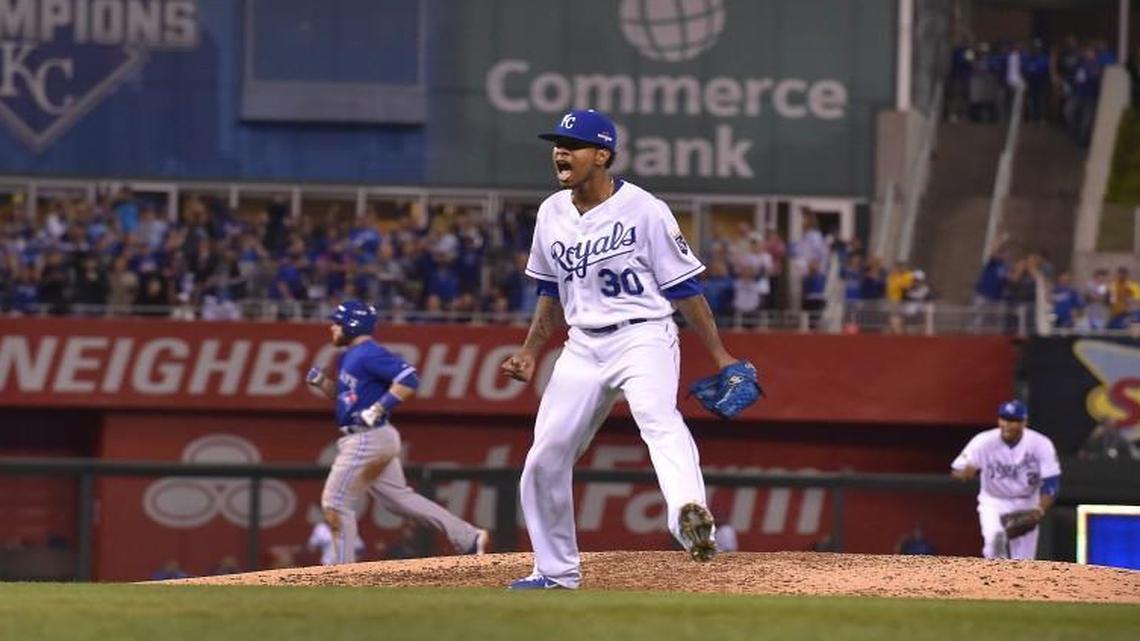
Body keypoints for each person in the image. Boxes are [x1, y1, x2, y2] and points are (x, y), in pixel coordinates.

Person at [501, 109, 751, 590]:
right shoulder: (551, 212)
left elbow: (685, 290)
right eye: (557, 143)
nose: (560, 151)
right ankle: (555, 573)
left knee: (658, 420)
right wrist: (532, 350)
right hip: (581, 345)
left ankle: (687, 516)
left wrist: (721, 355)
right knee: (543, 458)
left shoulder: (645, 209)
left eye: (571, 144)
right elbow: (550, 293)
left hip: (644, 335)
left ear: (602, 155)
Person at [305, 300, 489, 564]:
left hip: (367, 436)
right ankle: (468, 537)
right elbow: (346, 398)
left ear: (352, 324)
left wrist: (380, 407)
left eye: (337, 322)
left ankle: (342, 575)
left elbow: (408, 378)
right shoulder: (347, 357)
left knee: (335, 503)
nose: (332, 327)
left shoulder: (368, 352)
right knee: (398, 500)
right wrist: (323, 383)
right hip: (370, 436)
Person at [950, 400, 1061, 560]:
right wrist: (964, 473)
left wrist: (1038, 510)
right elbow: (957, 470)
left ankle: (1019, 584)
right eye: (1004, 419)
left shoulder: (1040, 444)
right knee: (994, 544)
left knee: (1024, 561)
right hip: (994, 502)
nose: (1007, 424)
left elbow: (1051, 483)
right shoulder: (984, 441)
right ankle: (995, 584)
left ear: (1024, 422)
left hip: (1027, 502)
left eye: (1014, 420)